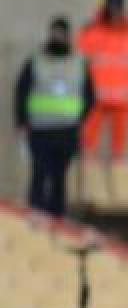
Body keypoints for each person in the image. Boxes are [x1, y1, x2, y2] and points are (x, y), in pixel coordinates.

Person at [14, 16, 94, 218]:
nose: (58, 38)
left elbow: (89, 95)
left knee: (60, 177)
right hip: (40, 130)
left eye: (62, 34)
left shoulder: (79, 62)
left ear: (68, 36)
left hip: (67, 130)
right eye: (54, 33)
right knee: (39, 175)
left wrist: (79, 118)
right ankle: (35, 217)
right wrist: (21, 122)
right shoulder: (36, 61)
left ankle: (57, 219)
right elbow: (21, 91)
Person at [77, 0, 128, 161]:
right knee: (88, 132)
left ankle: (118, 161)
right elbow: (78, 62)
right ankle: (87, 161)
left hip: (123, 97)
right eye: (111, 9)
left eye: (118, 9)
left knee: (121, 134)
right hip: (95, 95)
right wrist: (87, 86)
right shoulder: (90, 33)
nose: (115, 13)